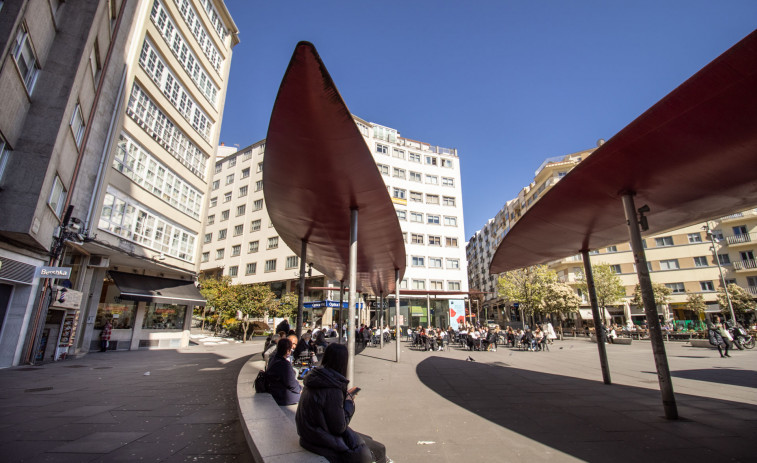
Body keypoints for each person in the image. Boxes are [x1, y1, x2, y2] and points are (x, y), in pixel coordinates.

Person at [296, 343, 386, 463]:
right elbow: (339, 427)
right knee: (379, 449)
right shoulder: (332, 388)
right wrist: (349, 403)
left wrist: (343, 397)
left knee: (368, 440)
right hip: (322, 440)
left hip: (309, 435)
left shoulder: (315, 377)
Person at [266, 338, 302, 405]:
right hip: (281, 395)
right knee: (305, 396)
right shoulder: (284, 364)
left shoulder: (273, 359)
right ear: (288, 350)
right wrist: (300, 389)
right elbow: (291, 383)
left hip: (273, 389)